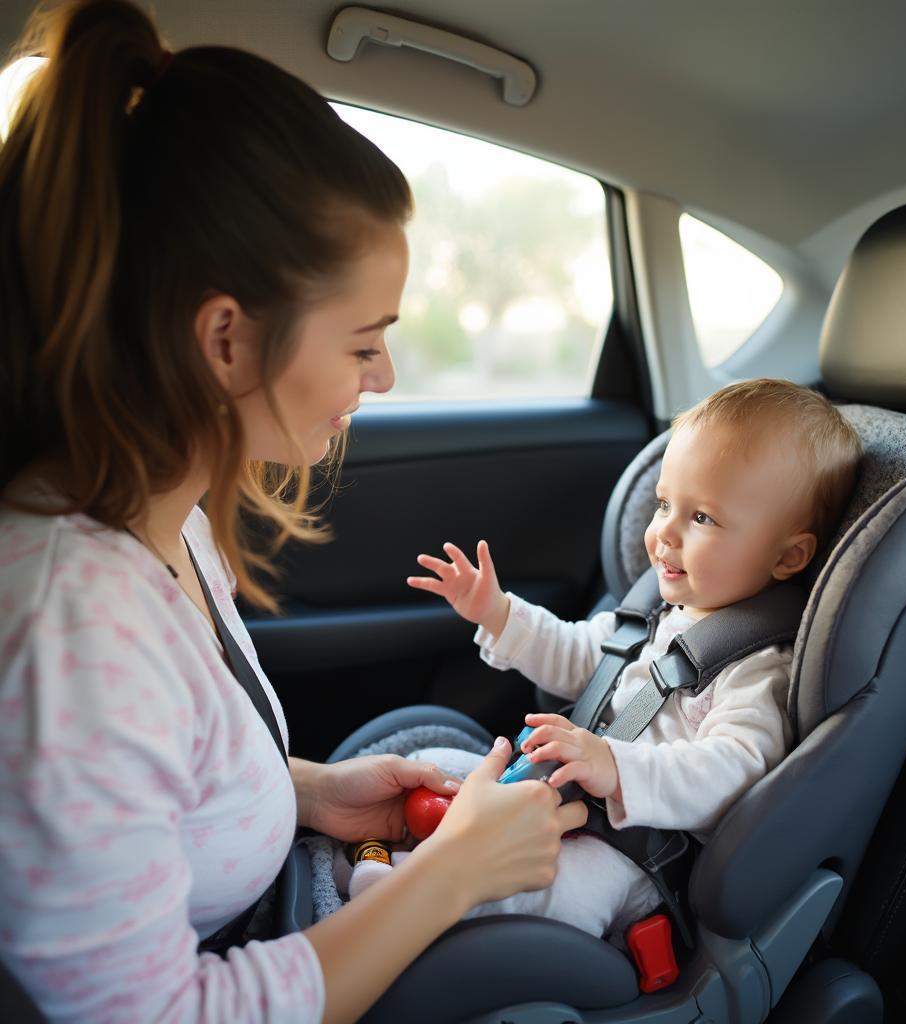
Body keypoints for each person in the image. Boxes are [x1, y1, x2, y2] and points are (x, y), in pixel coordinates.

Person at [0, 2, 586, 1022]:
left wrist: (308, 792)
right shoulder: (70, 627)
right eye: (363, 343)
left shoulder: (156, 517)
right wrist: (445, 877)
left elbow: (154, 788)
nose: (387, 374)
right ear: (225, 340)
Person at [390, 378, 863, 939]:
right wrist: (497, 613)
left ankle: (397, 912)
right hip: (563, 797)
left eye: (703, 518)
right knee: (441, 768)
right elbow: (577, 655)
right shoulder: (656, 615)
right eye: (665, 504)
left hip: (633, 852)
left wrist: (615, 767)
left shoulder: (756, 666)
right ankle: (393, 868)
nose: (663, 531)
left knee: (556, 894)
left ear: (788, 556)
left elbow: (734, 772)